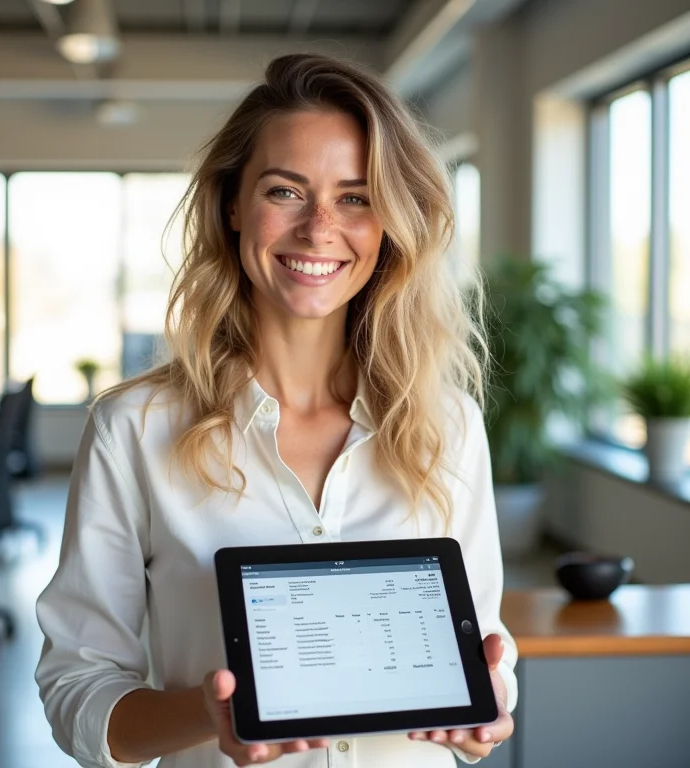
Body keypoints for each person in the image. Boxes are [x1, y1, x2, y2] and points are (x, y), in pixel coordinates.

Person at [35, 53, 518, 768]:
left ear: (390, 222)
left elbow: (482, 657)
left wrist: (488, 704)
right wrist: (204, 715)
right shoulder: (134, 430)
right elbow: (77, 689)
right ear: (233, 205)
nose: (320, 227)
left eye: (356, 197)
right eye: (286, 191)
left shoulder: (447, 425)